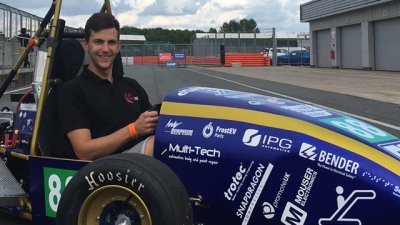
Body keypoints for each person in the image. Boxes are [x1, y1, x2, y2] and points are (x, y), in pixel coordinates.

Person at [58, 13, 158, 160]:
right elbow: (83, 151)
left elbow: (153, 126)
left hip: (139, 166)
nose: (105, 49)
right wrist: (133, 129)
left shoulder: (131, 86)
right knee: (157, 145)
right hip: (102, 170)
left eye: (111, 42)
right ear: (86, 45)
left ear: (118, 47)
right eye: (98, 42)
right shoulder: (72, 91)